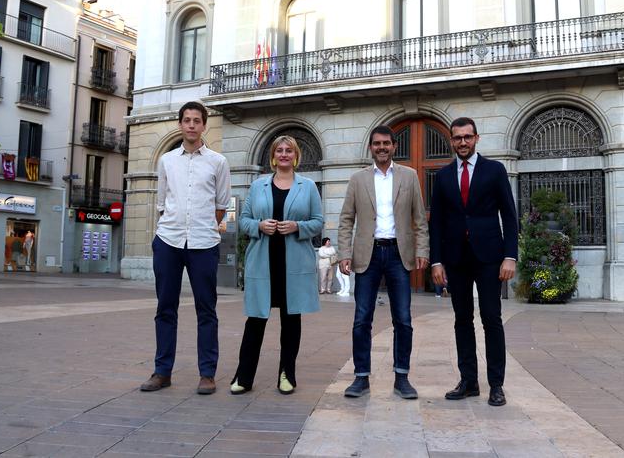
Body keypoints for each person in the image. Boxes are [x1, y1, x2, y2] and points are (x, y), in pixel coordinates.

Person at [140, 101, 231, 395]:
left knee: (207, 310)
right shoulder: (166, 161)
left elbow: (221, 205)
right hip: (168, 241)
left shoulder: (218, 162)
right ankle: (162, 371)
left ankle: (207, 374)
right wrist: (170, 227)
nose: (191, 125)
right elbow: (162, 202)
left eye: (196, 120)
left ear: (204, 125)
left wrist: (204, 226)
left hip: (204, 243)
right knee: (165, 308)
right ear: (180, 124)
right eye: (186, 120)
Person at [429, 117, 518, 407]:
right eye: (457, 138)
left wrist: (510, 255)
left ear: (476, 139)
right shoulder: (442, 176)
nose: (463, 142)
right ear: (451, 141)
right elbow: (437, 223)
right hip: (456, 258)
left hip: (490, 257)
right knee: (462, 320)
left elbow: (509, 214)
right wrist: (436, 261)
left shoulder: (495, 170)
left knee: (491, 319)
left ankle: (496, 385)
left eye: (467, 137)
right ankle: (468, 381)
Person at [338, 125, 429, 399]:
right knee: (361, 318)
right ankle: (361, 377)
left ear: (394, 146)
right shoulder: (358, 179)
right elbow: (346, 219)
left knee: (403, 319)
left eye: (386, 143)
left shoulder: (410, 176)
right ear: (371, 147)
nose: (382, 147)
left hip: (399, 255)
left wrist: (422, 249)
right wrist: (344, 253)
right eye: (377, 143)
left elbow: (419, 218)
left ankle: (402, 377)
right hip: (368, 254)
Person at [231, 135, 323, 395]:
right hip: (263, 262)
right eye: (279, 150)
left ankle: (287, 375)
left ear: (296, 155)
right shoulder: (258, 186)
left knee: (291, 322)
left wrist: (297, 227)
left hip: (293, 264)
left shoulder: (308, 186)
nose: (284, 154)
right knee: (255, 321)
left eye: (289, 150)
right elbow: (244, 220)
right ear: (273, 155)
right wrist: (259, 226)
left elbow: (318, 222)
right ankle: (244, 376)